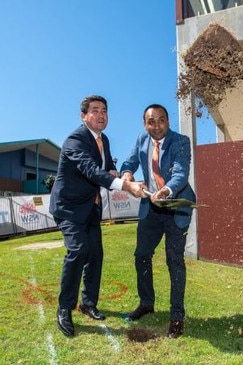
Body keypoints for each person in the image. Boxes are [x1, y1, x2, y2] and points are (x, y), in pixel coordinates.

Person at [49, 95, 146, 337]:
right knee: (78, 250)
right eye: (95, 110)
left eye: (104, 110)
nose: (101, 114)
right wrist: (125, 187)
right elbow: (90, 171)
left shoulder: (104, 140)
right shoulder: (74, 140)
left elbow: (103, 169)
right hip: (69, 208)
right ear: (83, 116)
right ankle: (64, 308)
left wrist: (115, 171)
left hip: (91, 208)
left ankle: (88, 303)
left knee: (95, 255)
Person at [120, 103, 196, 339]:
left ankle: (176, 316)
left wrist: (167, 190)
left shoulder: (181, 141)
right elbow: (129, 163)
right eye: (151, 121)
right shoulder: (142, 139)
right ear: (145, 124)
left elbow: (181, 174)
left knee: (174, 261)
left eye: (161, 120)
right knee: (141, 255)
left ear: (168, 121)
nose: (157, 125)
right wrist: (127, 176)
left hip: (174, 206)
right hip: (151, 208)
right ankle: (146, 303)